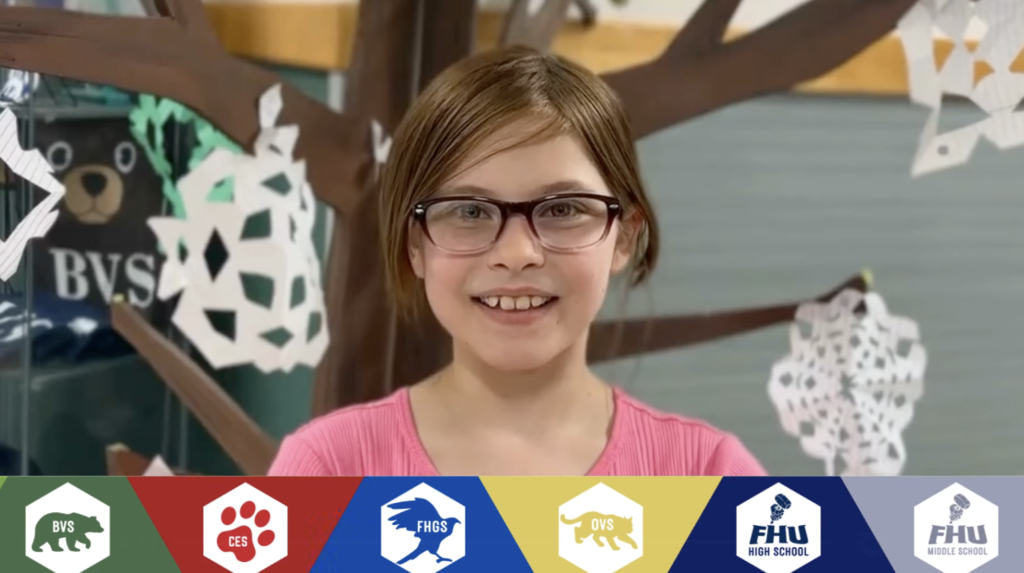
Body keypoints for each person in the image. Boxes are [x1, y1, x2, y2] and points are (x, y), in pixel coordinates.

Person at [268, 46, 766, 477]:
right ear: (415, 244)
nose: (517, 254)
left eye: (563, 209)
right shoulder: (328, 467)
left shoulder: (709, 475)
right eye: (468, 211)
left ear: (624, 237)